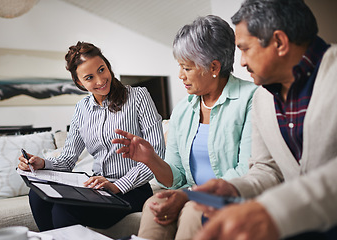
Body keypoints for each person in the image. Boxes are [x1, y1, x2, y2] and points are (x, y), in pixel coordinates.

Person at [191, 1, 337, 240]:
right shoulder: (261, 98)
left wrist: (274, 211)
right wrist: (234, 187)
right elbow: (267, 168)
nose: (242, 62)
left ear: (279, 43)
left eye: (245, 49)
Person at [112, 15, 257, 240]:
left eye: (186, 68)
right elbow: (176, 178)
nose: (180, 76)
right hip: (192, 194)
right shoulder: (183, 109)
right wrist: (151, 158)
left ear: (214, 67)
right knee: (154, 203)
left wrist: (190, 196)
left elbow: (245, 172)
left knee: (193, 211)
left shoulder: (251, 99)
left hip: (232, 195)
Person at [18, 41, 165, 231]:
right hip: (97, 188)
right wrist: (43, 163)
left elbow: (157, 154)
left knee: (62, 211)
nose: (100, 80)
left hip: (131, 190)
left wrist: (117, 185)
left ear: (107, 65)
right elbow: (67, 160)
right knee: (37, 196)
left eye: (102, 70)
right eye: (89, 77)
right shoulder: (82, 109)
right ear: (80, 83)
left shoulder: (138, 97)